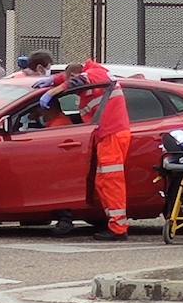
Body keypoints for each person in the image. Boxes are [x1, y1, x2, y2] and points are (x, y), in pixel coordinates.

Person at [42, 61, 132, 241]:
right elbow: (74, 78)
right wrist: (54, 79)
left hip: (112, 134)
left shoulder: (95, 74)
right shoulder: (91, 77)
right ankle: (113, 223)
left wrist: (52, 91)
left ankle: (118, 228)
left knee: (111, 181)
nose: (75, 93)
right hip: (107, 134)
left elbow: (77, 80)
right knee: (103, 181)